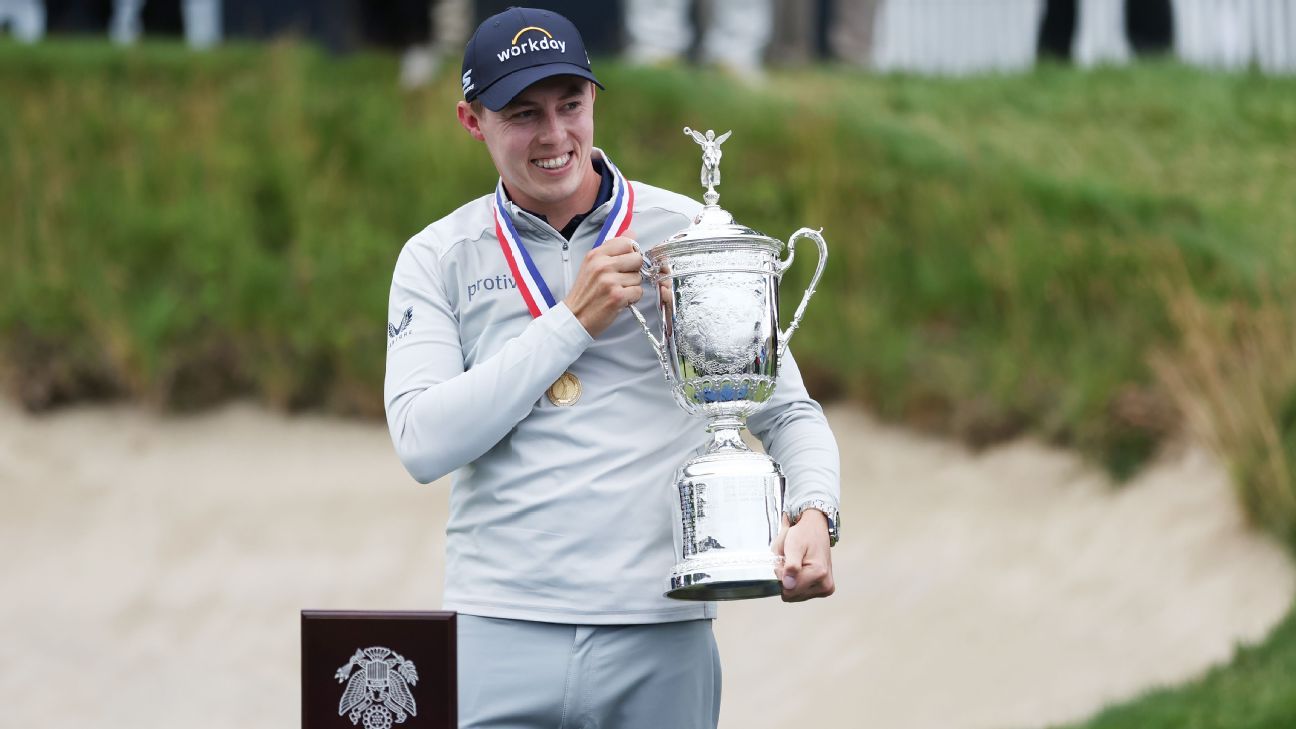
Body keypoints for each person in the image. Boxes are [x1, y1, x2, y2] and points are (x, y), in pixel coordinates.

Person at [383, 7, 840, 727]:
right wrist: (569, 322)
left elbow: (785, 409)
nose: (555, 136)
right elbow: (422, 441)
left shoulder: (687, 233)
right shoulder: (439, 255)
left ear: (595, 99)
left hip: (659, 629)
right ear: (472, 121)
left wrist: (815, 509)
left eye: (571, 105)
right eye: (523, 113)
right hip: (496, 624)